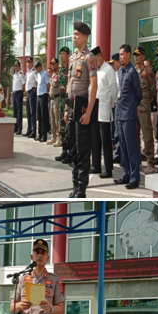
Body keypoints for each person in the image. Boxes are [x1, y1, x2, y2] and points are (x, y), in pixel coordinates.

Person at [66, 22, 98, 198]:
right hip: (72, 107)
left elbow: (93, 86)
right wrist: (66, 108)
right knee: (73, 149)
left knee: (83, 148)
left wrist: (89, 112)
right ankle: (74, 185)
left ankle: (81, 188)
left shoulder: (90, 58)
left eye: (77, 34)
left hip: (83, 108)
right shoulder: (72, 58)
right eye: (74, 34)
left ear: (85, 37)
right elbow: (70, 82)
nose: (74, 37)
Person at [115, 45, 143, 189]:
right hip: (119, 114)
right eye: (119, 54)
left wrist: (133, 106)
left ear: (128, 55)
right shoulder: (120, 70)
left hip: (128, 115)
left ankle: (134, 177)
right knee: (123, 147)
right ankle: (125, 174)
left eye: (122, 54)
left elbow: (139, 94)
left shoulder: (132, 72)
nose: (120, 57)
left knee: (132, 147)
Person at [93, 47, 118, 178]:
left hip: (104, 107)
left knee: (106, 141)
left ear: (100, 56)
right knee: (95, 139)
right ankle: (96, 165)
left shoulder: (108, 70)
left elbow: (114, 90)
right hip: (95, 108)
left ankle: (108, 169)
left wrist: (110, 103)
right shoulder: (95, 71)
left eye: (94, 58)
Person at [132, 47, 157, 174]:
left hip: (144, 108)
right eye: (134, 55)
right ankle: (138, 163)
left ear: (143, 56)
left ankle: (151, 163)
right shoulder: (133, 71)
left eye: (138, 55)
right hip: (134, 109)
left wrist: (145, 102)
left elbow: (153, 90)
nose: (136, 57)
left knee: (147, 137)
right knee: (135, 137)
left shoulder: (148, 71)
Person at [55, 47, 72, 161]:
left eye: (63, 54)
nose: (61, 56)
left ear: (68, 55)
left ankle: (70, 153)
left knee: (67, 128)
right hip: (60, 101)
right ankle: (64, 151)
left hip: (67, 101)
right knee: (61, 127)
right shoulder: (60, 70)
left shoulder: (70, 69)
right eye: (60, 54)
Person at [47, 59, 62, 146]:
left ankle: (59, 138)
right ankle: (53, 136)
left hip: (57, 99)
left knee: (57, 119)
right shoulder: (53, 74)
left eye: (54, 64)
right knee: (52, 119)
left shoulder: (60, 74)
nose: (52, 65)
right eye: (51, 64)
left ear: (57, 64)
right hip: (51, 99)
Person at [35, 61, 50, 143]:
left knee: (44, 116)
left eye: (37, 68)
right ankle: (40, 134)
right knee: (39, 116)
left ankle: (44, 135)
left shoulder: (45, 74)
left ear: (40, 67)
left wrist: (47, 94)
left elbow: (48, 85)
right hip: (38, 96)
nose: (37, 69)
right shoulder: (38, 74)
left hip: (44, 95)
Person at [24, 60, 38, 138]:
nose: (28, 64)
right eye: (27, 62)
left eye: (29, 62)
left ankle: (33, 131)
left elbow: (37, 80)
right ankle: (29, 130)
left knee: (33, 112)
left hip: (32, 92)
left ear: (32, 63)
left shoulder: (34, 72)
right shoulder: (27, 72)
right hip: (28, 93)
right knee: (28, 112)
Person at [12, 62, 26, 136]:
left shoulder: (21, 75)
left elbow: (24, 84)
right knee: (15, 111)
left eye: (17, 66)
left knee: (19, 111)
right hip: (14, 93)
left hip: (19, 93)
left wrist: (22, 92)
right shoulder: (14, 75)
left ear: (19, 67)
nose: (16, 67)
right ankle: (15, 127)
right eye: (15, 66)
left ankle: (19, 128)